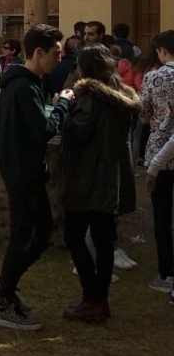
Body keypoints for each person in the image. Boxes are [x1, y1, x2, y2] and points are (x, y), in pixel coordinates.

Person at [0, 24, 73, 330]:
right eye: (56, 53)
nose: (59, 60)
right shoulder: (23, 87)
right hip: (22, 173)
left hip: (20, 170)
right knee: (30, 236)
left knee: (33, 233)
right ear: (39, 52)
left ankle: (4, 287)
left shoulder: (21, 84)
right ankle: (3, 296)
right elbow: (45, 129)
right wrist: (63, 103)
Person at [60, 45, 140, 323]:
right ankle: (100, 300)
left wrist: (64, 110)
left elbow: (77, 132)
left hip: (89, 178)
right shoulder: (122, 97)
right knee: (104, 241)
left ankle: (92, 297)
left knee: (74, 236)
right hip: (112, 178)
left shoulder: (90, 98)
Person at [140, 30, 174, 295]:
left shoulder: (154, 77)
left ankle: (167, 272)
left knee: (162, 216)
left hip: (159, 151)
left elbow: (144, 112)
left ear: (162, 51)